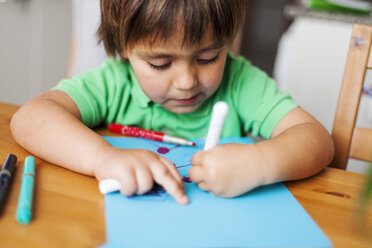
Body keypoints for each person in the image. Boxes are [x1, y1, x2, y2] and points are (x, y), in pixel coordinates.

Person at [10, 0, 334, 205]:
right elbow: (30, 118)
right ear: (124, 49)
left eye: (208, 57)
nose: (187, 81)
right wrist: (102, 158)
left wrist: (262, 162)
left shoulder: (241, 82)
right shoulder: (113, 82)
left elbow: (316, 138)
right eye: (161, 64)